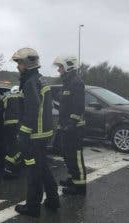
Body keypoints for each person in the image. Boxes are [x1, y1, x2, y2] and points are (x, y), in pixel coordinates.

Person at [11, 48, 60, 217]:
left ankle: (32, 207)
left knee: (32, 171)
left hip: (34, 135)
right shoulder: (40, 79)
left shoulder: (30, 81)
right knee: (43, 167)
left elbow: (31, 109)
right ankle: (53, 199)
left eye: (20, 63)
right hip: (43, 133)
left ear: (28, 63)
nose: (18, 67)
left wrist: (23, 134)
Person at [53, 56, 87, 195]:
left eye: (60, 67)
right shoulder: (67, 82)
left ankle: (80, 187)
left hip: (75, 127)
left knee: (76, 156)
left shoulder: (76, 82)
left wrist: (72, 122)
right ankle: (73, 179)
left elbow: (78, 106)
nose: (58, 69)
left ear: (68, 67)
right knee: (67, 155)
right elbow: (66, 105)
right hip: (66, 125)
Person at [2, 86, 23, 178]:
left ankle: (8, 166)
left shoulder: (6, 98)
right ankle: (10, 167)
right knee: (18, 147)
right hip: (18, 125)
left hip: (7, 125)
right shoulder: (22, 98)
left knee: (10, 145)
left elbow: (1, 110)